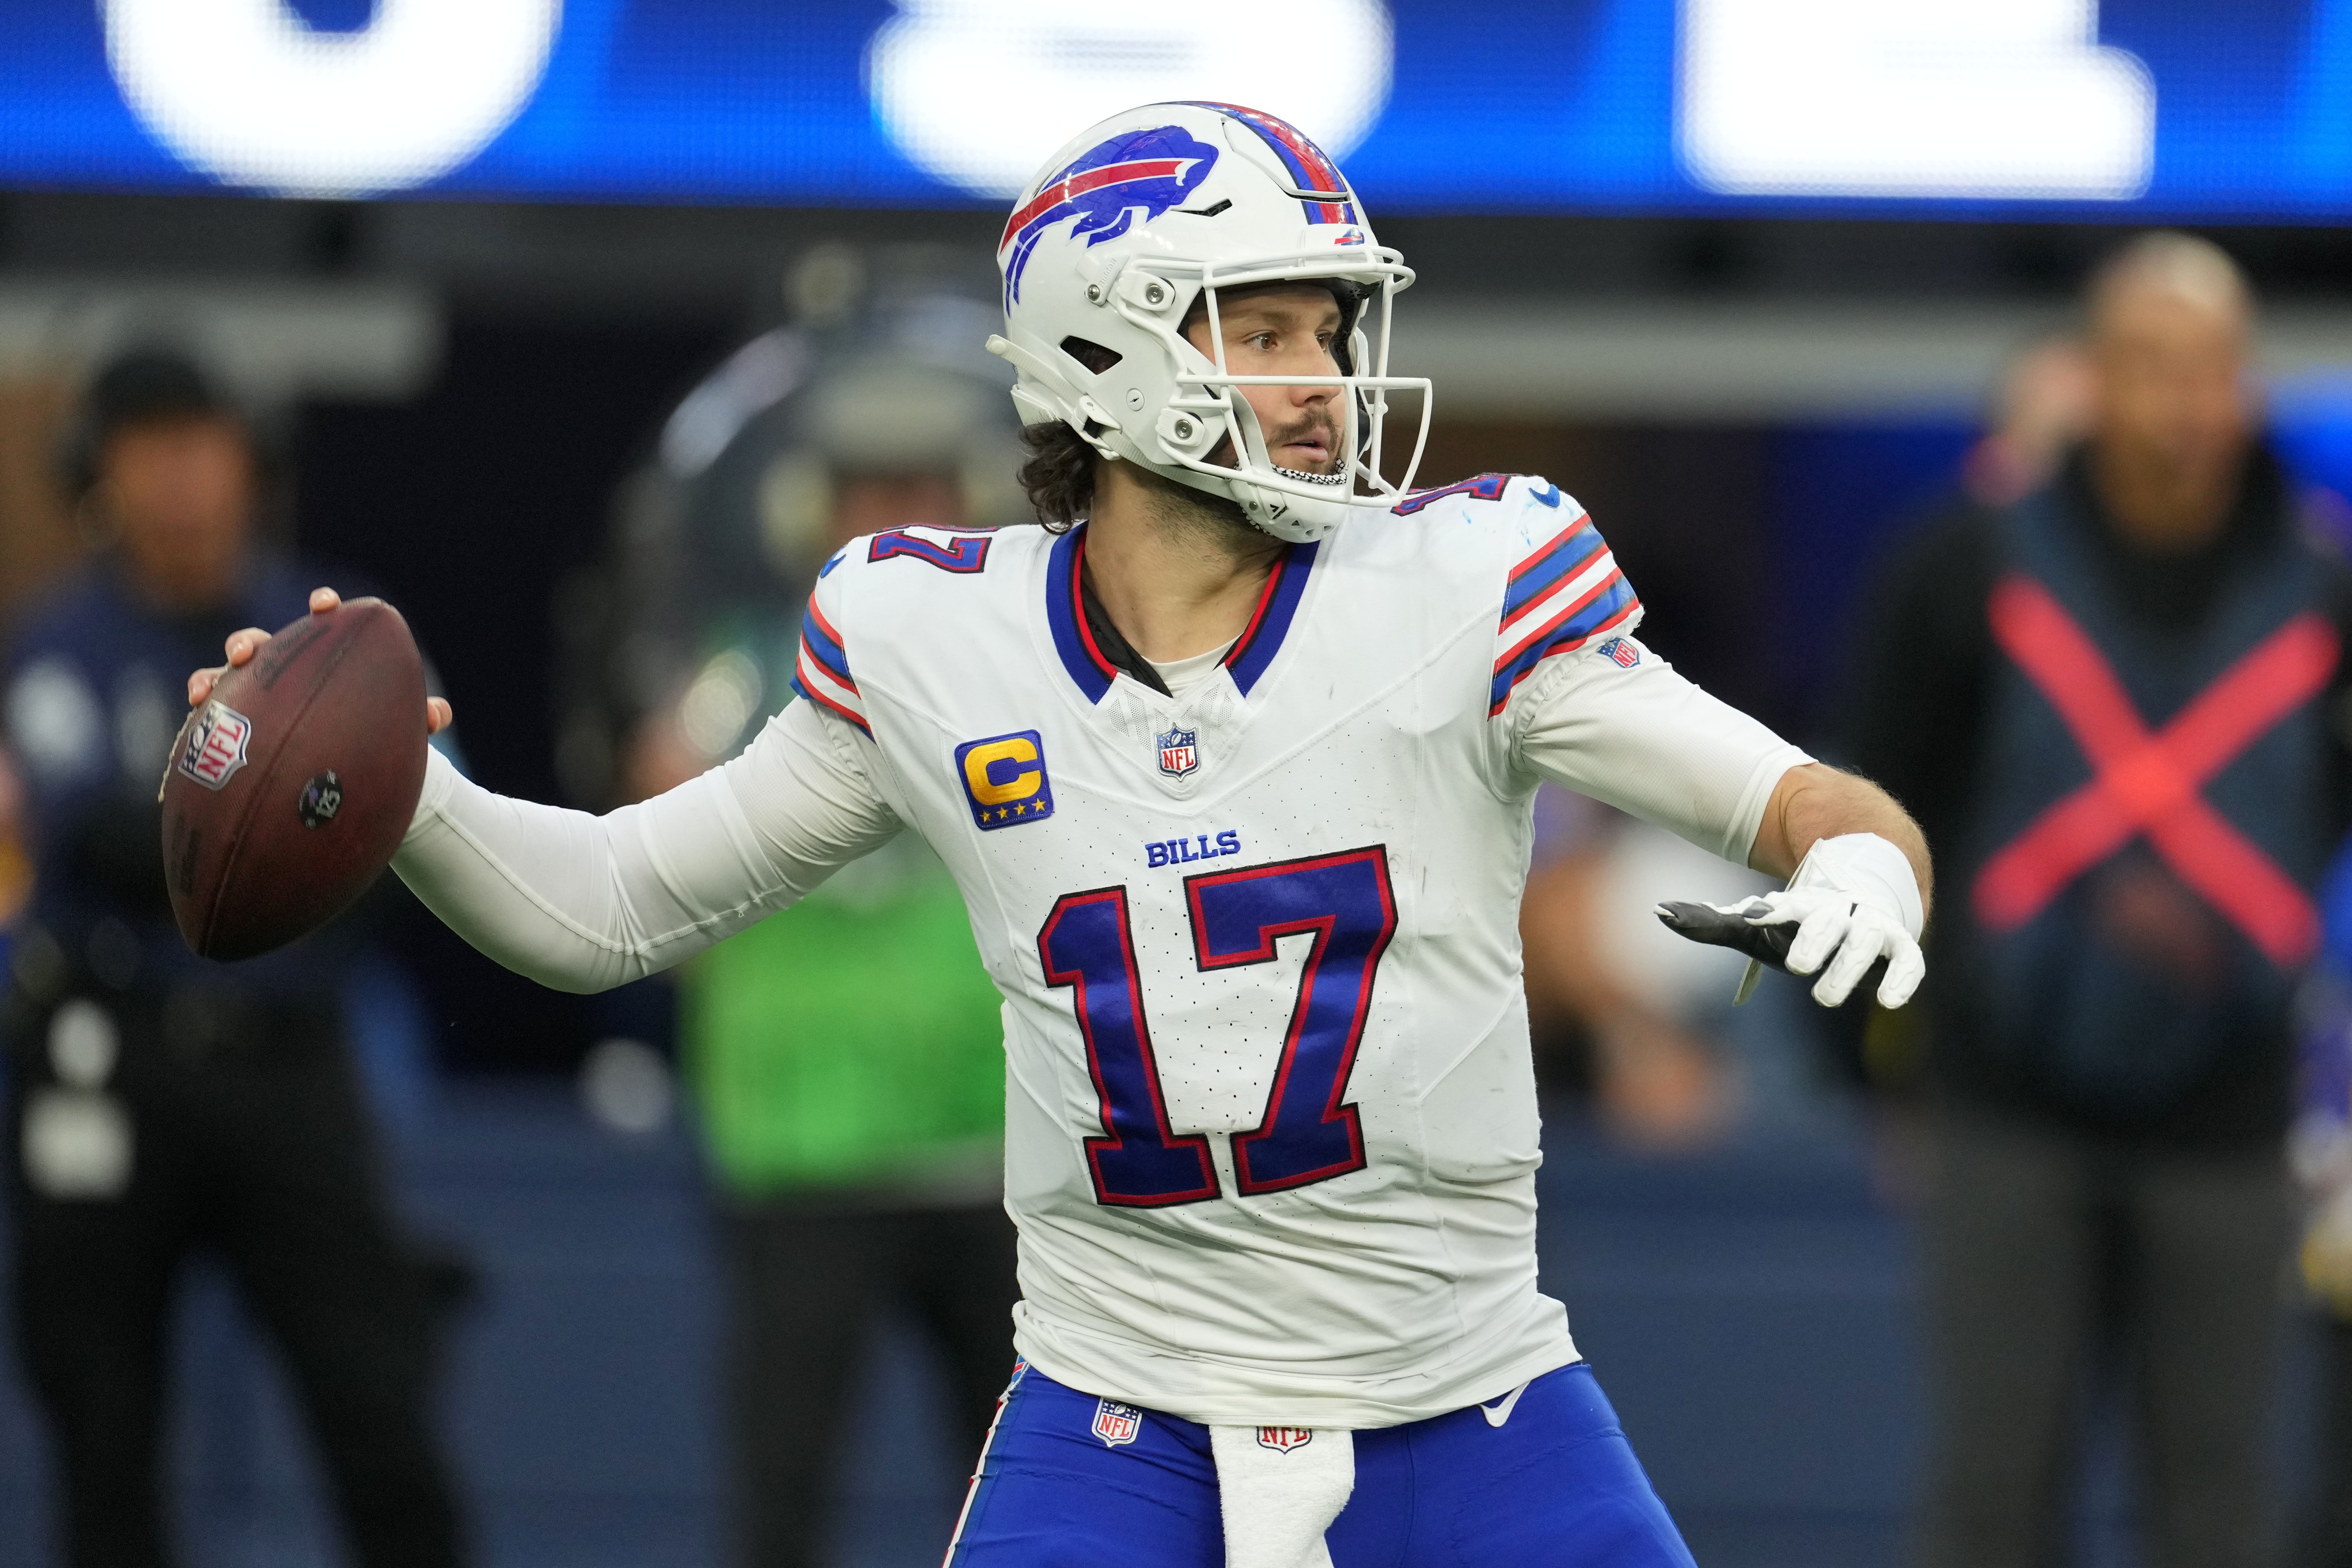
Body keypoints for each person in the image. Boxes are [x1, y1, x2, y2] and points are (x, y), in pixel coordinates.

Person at [197, 103, 1930, 1566]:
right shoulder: (935, 639)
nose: (1321, 376)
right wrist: (405, 798)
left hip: (1464, 1400)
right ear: (1109, 351)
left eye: (1328, 328)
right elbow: (610, 907)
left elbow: (1792, 796)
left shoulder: (1466, 583)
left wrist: (1861, 860)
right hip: (1121, 1421)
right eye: (1262, 328)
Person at [1842, 233, 2352, 1567]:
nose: (2185, 406)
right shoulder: (1958, 568)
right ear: (2094, 377)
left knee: (2222, 1510)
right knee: (1991, 1500)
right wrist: (1879, 1070)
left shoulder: (2326, 587)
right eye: (2152, 370)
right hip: (2005, 1103)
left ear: (2247, 383)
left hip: (2235, 1115)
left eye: (2213, 372)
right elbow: (1864, 819)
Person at [575, 275, 1027, 1568]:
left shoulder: (1028, 670)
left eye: (922, 487)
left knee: (1027, 1511)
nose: (897, 519)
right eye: (868, 490)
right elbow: (653, 820)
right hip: (800, 1147)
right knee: (782, 1506)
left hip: (990, 1150)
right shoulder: (736, 667)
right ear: (810, 509)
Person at [7, 348, 468, 1568]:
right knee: (102, 1441)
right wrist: (284, 815)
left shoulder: (341, 633)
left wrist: (244, 816)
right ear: (96, 474)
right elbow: (101, 840)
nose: (177, 478)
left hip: (289, 1066)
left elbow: (418, 834)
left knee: (381, 1421)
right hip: (115, 1058)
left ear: (248, 460)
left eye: (200, 442)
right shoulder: (58, 646)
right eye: (147, 447)